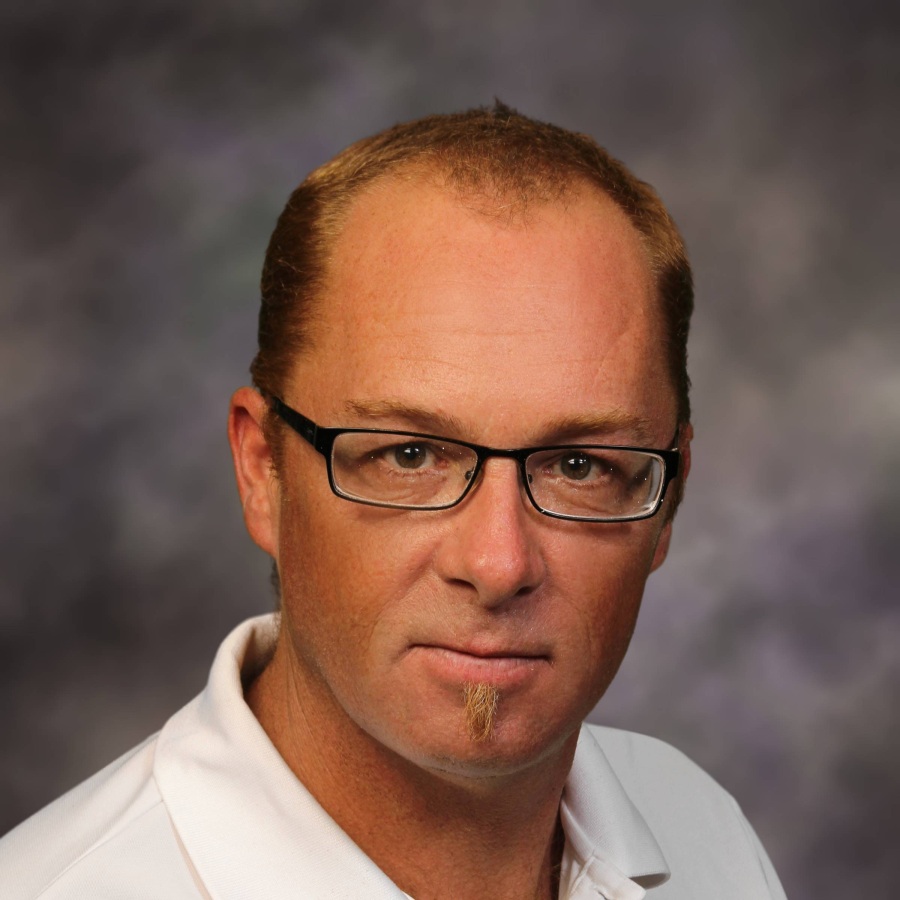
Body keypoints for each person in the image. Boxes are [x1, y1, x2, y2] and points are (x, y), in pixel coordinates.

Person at [0, 103, 787, 899]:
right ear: (263, 470)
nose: (498, 564)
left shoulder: (703, 833)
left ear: (669, 496)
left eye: (579, 466)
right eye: (409, 456)